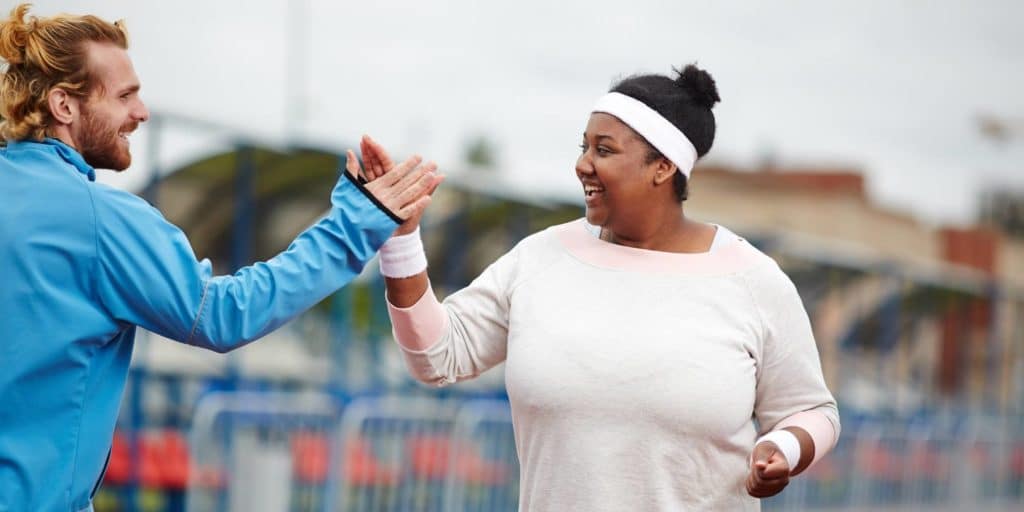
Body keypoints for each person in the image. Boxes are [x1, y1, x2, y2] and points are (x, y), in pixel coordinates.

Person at [0, 5, 441, 511]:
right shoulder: (98, 220)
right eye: (125, 96)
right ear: (64, 105)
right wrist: (355, 224)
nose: (141, 112)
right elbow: (221, 314)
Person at [366, 63, 840, 510]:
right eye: (584, 146)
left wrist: (784, 448)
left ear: (663, 167)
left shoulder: (751, 280)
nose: (582, 165)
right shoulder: (540, 258)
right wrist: (401, 240)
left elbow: (813, 411)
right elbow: (437, 355)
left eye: (604, 150)